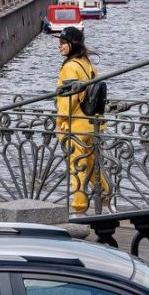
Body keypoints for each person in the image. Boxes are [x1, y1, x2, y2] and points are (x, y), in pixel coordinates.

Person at [56, 26, 108, 213]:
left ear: (73, 44)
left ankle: (79, 206)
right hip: (92, 123)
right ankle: (106, 196)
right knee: (93, 163)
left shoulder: (70, 67)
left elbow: (68, 98)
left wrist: (60, 119)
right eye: (59, 43)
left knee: (76, 166)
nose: (59, 46)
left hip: (76, 125)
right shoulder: (88, 64)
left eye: (63, 43)